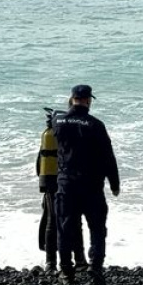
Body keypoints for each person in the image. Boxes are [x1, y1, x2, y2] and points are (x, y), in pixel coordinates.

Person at [52, 84, 120, 285]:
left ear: (71, 99)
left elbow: (56, 119)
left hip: (66, 184)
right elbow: (108, 157)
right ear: (89, 100)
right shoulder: (95, 124)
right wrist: (114, 183)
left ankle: (66, 270)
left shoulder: (59, 121)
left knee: (65, 227)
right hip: (91, 185)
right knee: (97, 228)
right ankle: (95, 268)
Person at [36, 107, 88, 273]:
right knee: (75, 221)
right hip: (69, 182)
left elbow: (39, 163)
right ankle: (80, 260)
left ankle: (50, 263)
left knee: (52, 221)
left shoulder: (49, 135)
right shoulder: (75, 133)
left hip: (50, 182)